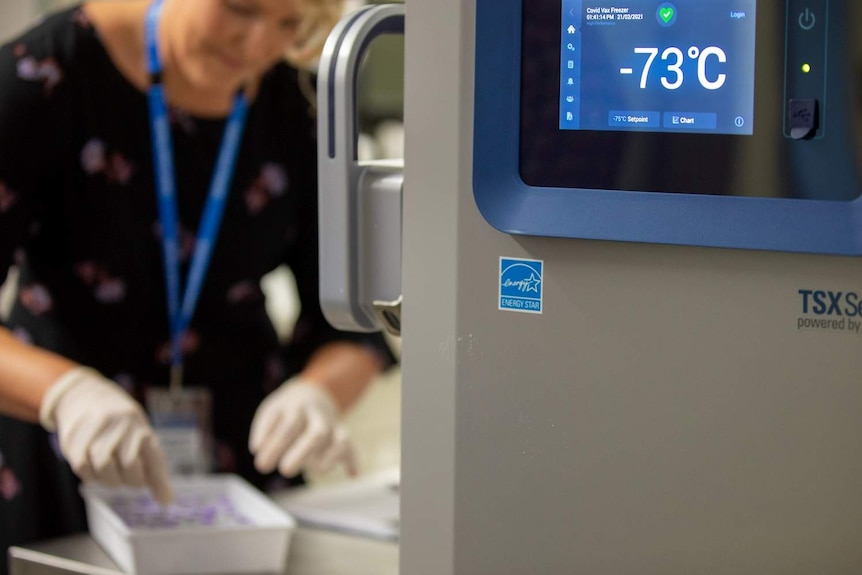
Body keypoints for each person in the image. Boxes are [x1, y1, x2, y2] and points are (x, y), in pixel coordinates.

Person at [0, 0, 394, 569]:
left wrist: (319, 394)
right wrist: (65, 395)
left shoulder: (302, 110)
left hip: (241, 457)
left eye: (290, 25)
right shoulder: (42, 78)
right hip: (65, 451)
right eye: (240, 8)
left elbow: (354, 324)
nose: (258, 45)